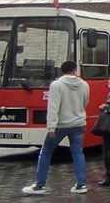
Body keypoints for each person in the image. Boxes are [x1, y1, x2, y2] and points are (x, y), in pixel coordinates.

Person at [23, 60, 90, 195]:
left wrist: (51, 127)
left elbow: (53, 107)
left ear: (62, 70)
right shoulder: (84, 85)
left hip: (61, 124)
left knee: (46, 152)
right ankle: (81, 184)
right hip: (79, 123)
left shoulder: (56, 85)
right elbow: (86, 102)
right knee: (77, 153)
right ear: (75, 70)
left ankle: (39, 184)